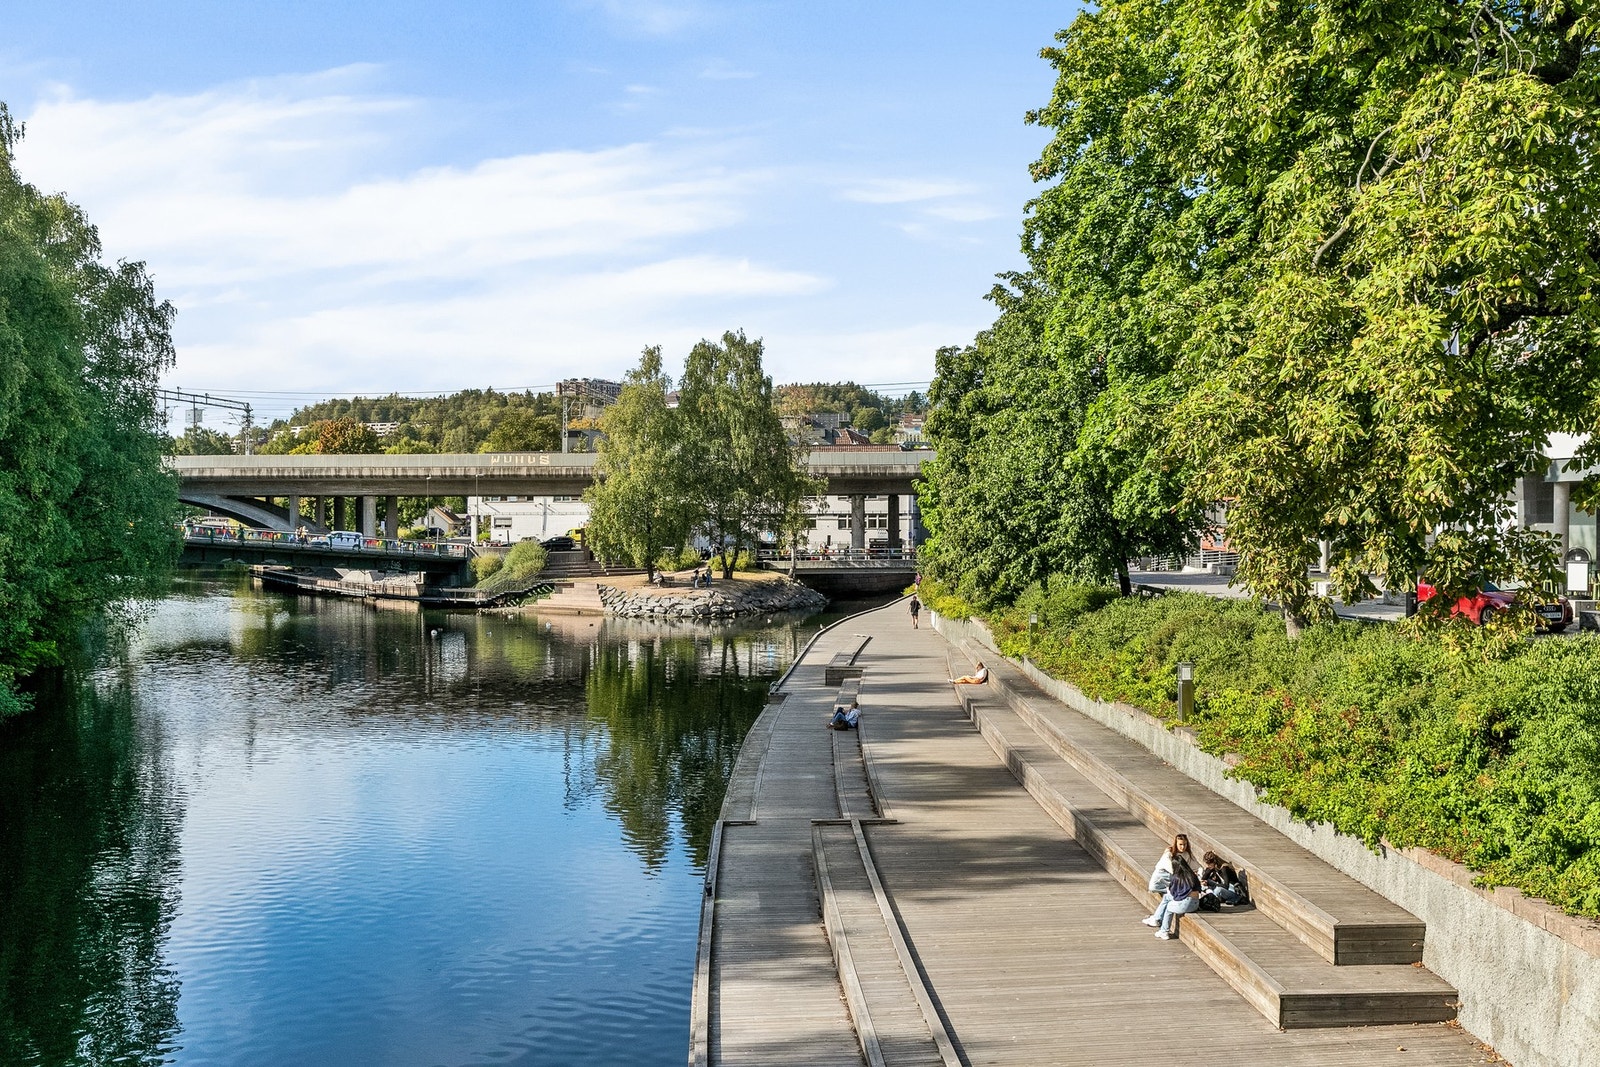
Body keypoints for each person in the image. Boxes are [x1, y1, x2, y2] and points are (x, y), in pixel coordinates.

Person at [1143, 853, 1202, 939]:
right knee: (1166, 897)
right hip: (1196, 903)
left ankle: (1164, 931)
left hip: (1186, 904)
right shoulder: (1192, 875)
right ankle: (1156, 918)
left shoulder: (1177, 877)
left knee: (1169, 906)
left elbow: (1175, 894)